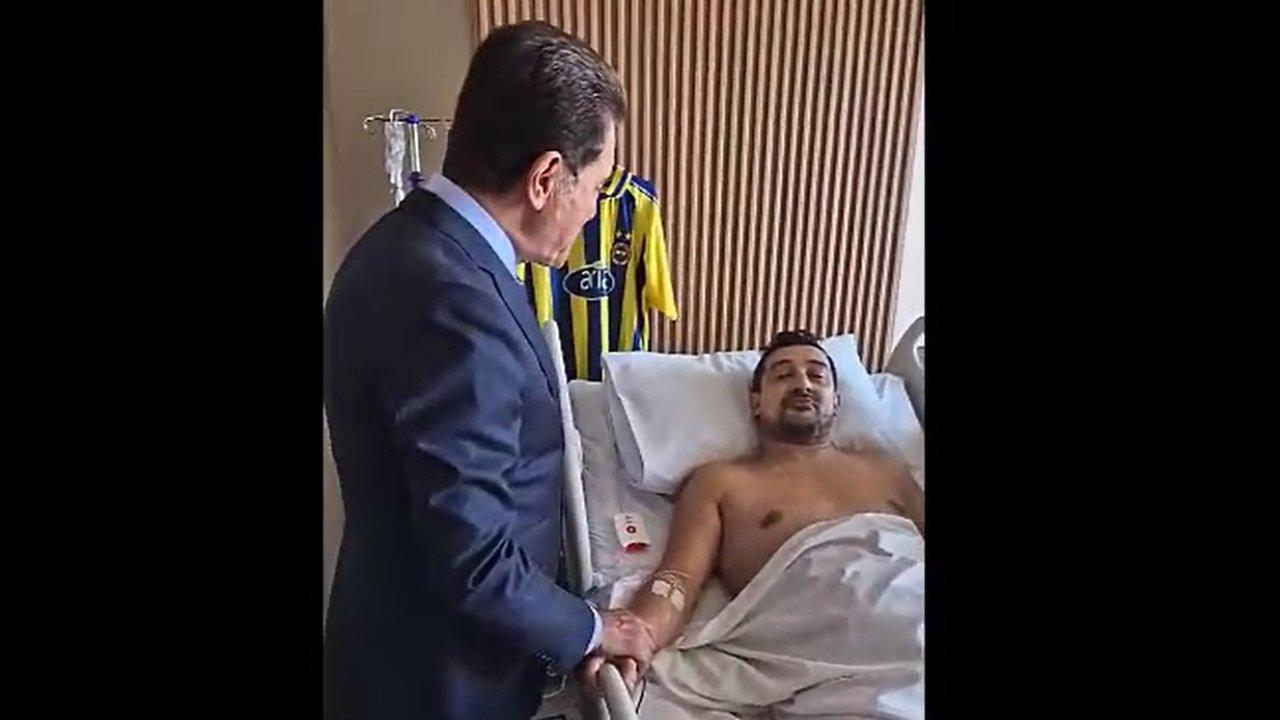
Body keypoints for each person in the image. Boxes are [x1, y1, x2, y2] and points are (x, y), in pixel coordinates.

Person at [324, 21, 655, 720]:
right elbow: (470, 557)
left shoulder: (408, 243)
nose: (593, 210)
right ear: (545, 179)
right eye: (596, 186)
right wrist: (590, 629)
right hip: (436, 683)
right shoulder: (452, 302)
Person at [582, 329, 925, 696]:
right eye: (784, 375)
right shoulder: (721, 482)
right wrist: (638, 634)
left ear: (836, 401)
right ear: (756, 402)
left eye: (817, 375)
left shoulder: (887, 469)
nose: (803, 384)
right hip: (824, 646)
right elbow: (677, 579)